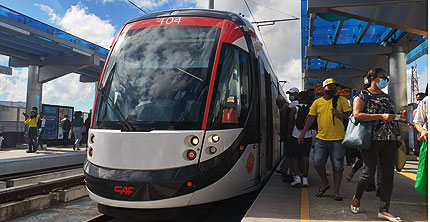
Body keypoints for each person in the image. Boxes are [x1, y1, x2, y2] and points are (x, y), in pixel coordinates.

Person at [350, 68, 403, 222]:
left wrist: (399, 117)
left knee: (388, 175)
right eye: (382, 77)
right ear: (372, 78)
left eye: (386, 77)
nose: (385, 79)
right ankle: (357, 197)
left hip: (389, 139)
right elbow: (357, 115)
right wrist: (380, 116)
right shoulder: (362, 95)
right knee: (368, 173)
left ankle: (384, 210)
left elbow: (391, 117)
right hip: (370, 139)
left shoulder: (387, 98)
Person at [298, 78, 351, 201]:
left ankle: (336, 191)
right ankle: (325, 182)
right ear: (324, 89)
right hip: (321, 138)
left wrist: (339, 115)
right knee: (317, 163)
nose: (333, 89)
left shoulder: (341, 100)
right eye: (330, 87)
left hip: (338, 138)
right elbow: (311, 118)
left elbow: (349, 115)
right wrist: (303, 133)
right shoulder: (317, 103)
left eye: (334, 87)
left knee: (338, 166)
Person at [287, 91, 313, 187]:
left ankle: (297, 177)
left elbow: (290, 122)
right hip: (308, 135)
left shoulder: (294, 109)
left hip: (295, 135)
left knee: (295, 156)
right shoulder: (311, 109)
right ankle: (305, 178)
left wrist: (288, 134)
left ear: (299, 99)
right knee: (305, 156)